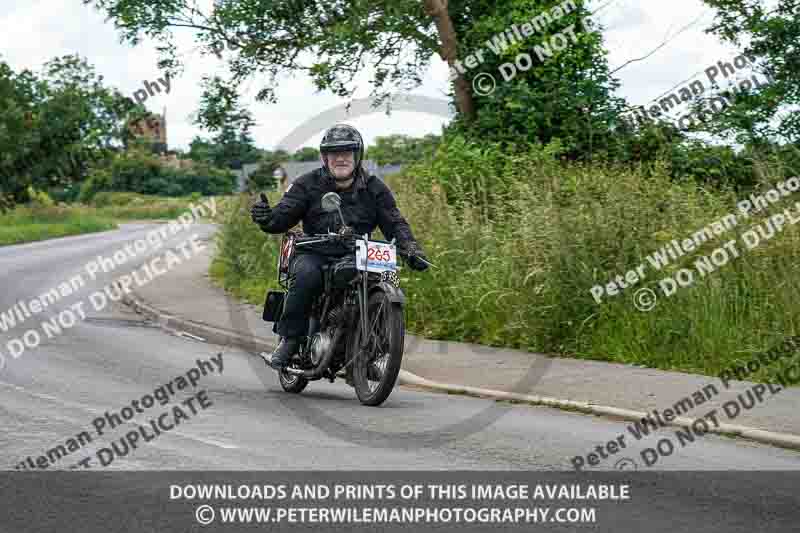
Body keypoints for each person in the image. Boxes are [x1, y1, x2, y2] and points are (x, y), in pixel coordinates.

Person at [250, 123, 430, 371]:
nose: (341, 158)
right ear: (325, 157)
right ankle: (290, 340)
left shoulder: (375, 188)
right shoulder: (307, 184)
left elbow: (394, 221)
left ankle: (368, 348)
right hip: (315, 251)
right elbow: (282, 217)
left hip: (357, 254)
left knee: (387, 277)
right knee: (306, 275)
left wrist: (411, 248)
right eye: (334, 153)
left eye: (347, 152)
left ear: (357, 156)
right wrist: (265, 218)